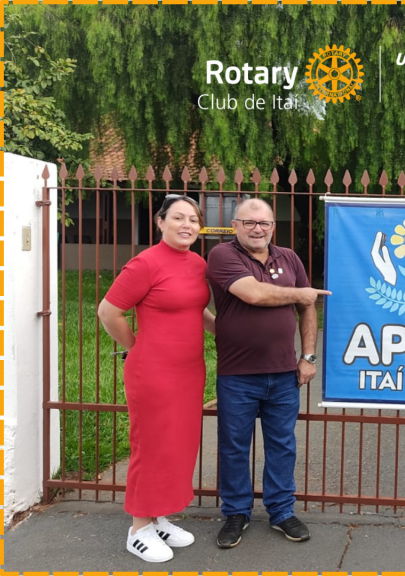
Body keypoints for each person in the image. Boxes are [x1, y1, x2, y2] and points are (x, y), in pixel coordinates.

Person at [98, 194, 217, 563]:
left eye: (193, 219)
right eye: (178, 217)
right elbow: (108, 312)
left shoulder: (197, 263)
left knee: (178, 445)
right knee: (151, 446)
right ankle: (139, 528)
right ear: (160, 222)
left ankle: (158, 517)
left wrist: (228, 333)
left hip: (189, 371)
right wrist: (137, 347)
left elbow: (195, 309)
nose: (187, 225)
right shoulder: (145, 263)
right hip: (153, 371)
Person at [206, 198, 331, 549]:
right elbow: (254, 294)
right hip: (237, 375)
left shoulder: (289, 258)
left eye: (264, 223)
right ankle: (236, 512)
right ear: (235, 225)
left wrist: (308, 356)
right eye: (249, 222)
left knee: (282, 445)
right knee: (234, 447)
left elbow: (307, 308)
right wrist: (301, 292)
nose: (257, 229)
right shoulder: (222, 255)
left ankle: (281, 511)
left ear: (273, 226)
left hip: (284, 374)